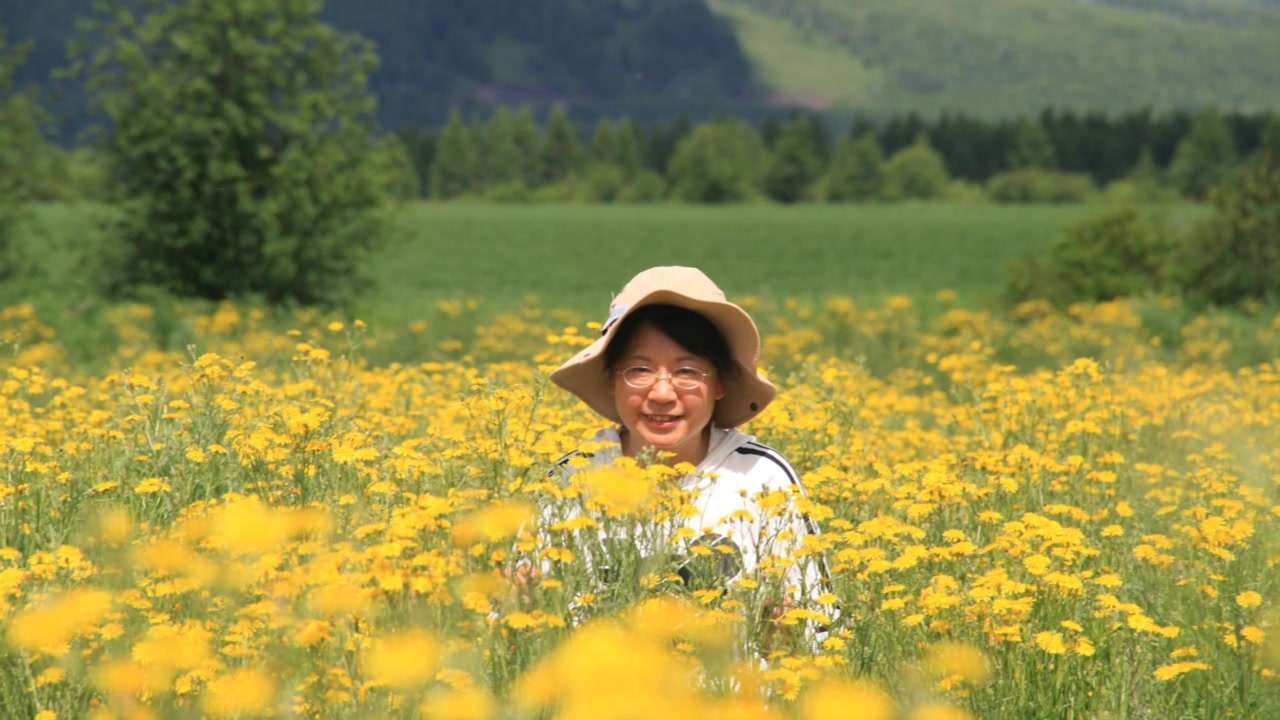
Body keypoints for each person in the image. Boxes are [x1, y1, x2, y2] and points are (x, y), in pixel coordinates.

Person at [544, 266, 833, 648]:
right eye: (639, 370)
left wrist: (785, 635)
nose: (662, 393)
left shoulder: (762, 476)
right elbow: (525, 632)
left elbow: (821, 628)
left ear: (721, 382)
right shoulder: (572, 479)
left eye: (687, 371)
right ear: (612, 379)